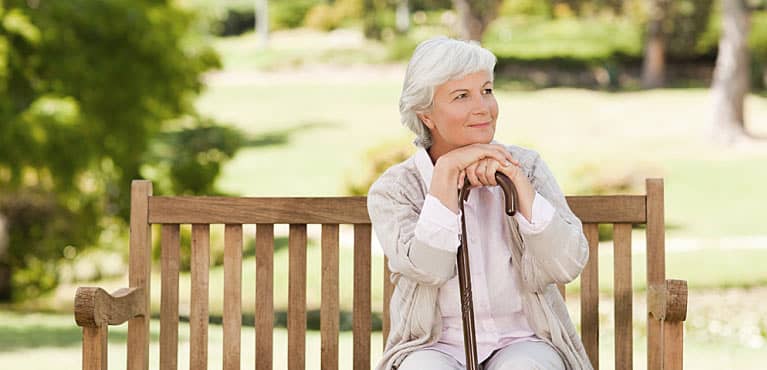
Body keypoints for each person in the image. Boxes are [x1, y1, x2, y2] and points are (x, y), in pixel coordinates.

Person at [367, 36, 593, 370]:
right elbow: (429, 269)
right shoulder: (395, 190)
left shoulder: (527, 167)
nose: (483, 107)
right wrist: (445, 174)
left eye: (487, 90)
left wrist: (517, 183)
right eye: (461, 96)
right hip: (433, 346)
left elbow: (567, 264)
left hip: (524, 340)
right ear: (426, 116)